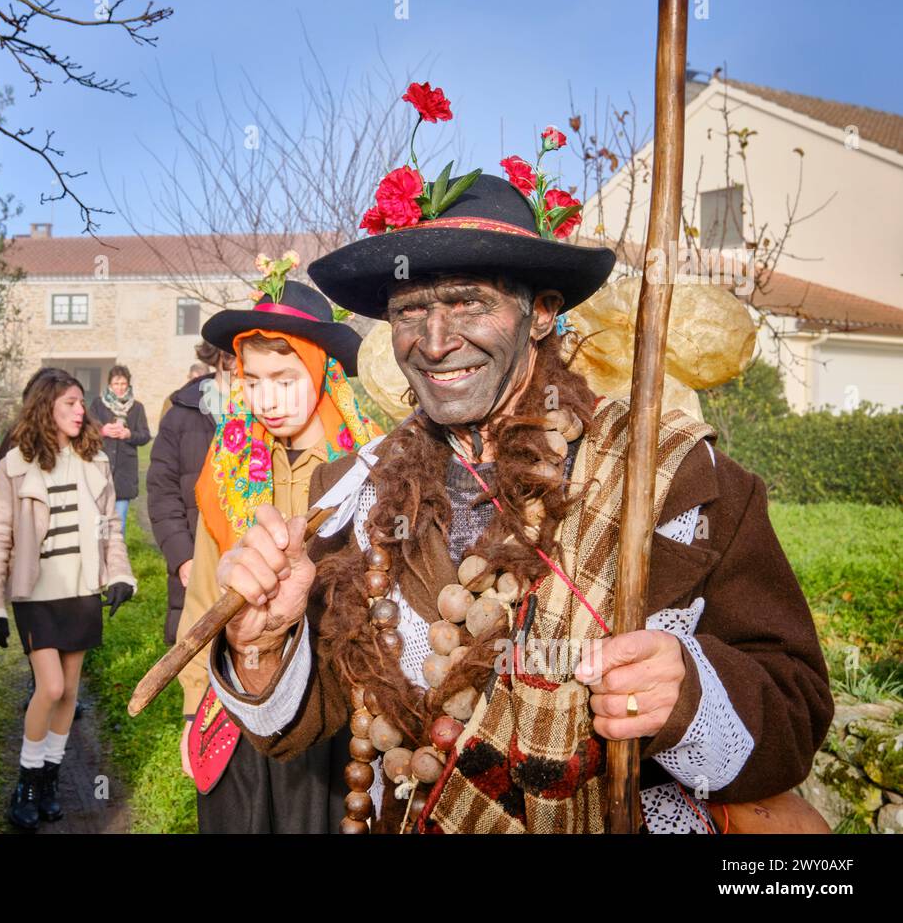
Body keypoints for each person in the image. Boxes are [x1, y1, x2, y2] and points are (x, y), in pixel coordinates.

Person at [203, 124, 833, 833]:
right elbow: (304, 723)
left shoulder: (677, 476)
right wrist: (262, 643)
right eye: (412, 311)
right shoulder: (353, 490)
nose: (436, 342)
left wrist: (685, 692)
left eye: (469, 302)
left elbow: (795, 708)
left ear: (540, 312)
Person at [176, 265, 379, 833]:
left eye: (285, 377)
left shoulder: (364, 470)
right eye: (254, 379)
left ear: (320, 371)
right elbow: (206, 589)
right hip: (241, 700)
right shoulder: (229, 465)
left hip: (334, 712)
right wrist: (196, 699)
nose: (267, 398)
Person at [0, 369, 137, 831]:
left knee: (69, 690)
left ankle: (49, 780)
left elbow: (110, 528)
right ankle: (26, 782)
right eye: (69, 402)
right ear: (45, 406)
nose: (80, 410)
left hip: (82, 589)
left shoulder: (96, 461)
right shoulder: (12, 467)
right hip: (37, 592)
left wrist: (120, 574)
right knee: (48, 687)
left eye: (81, 402)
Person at [147, 342, 236, 645]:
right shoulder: (181, 415)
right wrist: (183, 557)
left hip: (249, 565)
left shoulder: (267, 411)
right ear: (221, 356)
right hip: (198, 559)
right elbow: (162, 491)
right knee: (197, 661)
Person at [89, 365, 152, 536]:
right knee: (101, 521)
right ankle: (101, 556)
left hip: (125, 473)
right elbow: (87, 431)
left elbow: (145, 435)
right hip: (101, 469)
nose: (120, 387)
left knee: (119, 522)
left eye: (123, 384)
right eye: (116, 383)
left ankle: (118, 557)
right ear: (109, 385)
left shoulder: (137, 408)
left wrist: (129, 434)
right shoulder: (98, 405)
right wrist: (103, 431)